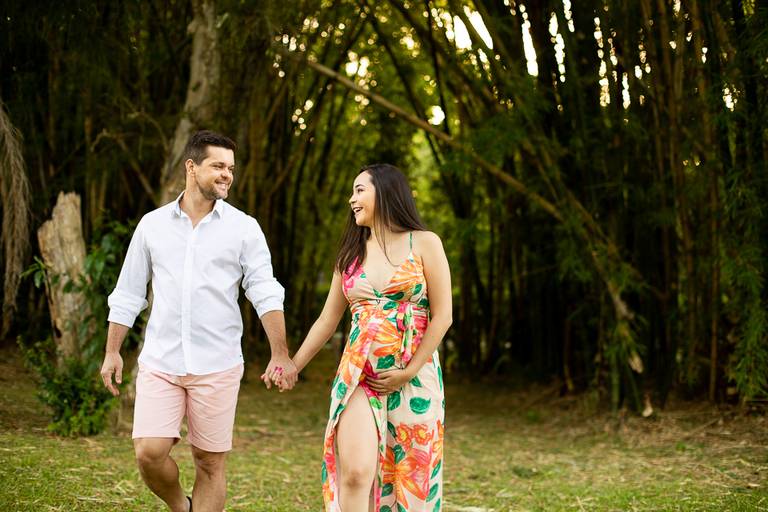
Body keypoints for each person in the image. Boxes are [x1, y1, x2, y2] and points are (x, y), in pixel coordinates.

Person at [99, 130, 297, 512]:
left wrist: (280, 353)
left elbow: (265, 291)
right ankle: (182, 506)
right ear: (191, 167)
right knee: (148, 453)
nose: (227, 175)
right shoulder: (152, 225)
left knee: (209, 462)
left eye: (231, 168)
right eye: (218, 166)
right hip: (161, 361)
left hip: (218, 363)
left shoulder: (244, 228)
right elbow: (128, 293)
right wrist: (112, 351)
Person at [282, 163, 452, 511]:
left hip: (414, 375)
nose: (352, 199)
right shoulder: (350, 254)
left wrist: (408, 371)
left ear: (386, 191)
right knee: (357, 473)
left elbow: (443, 316)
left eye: (360, 190)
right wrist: (293, 366)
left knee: (411, 476)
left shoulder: (425, 242)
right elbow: (327, 320)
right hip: (359, 374)